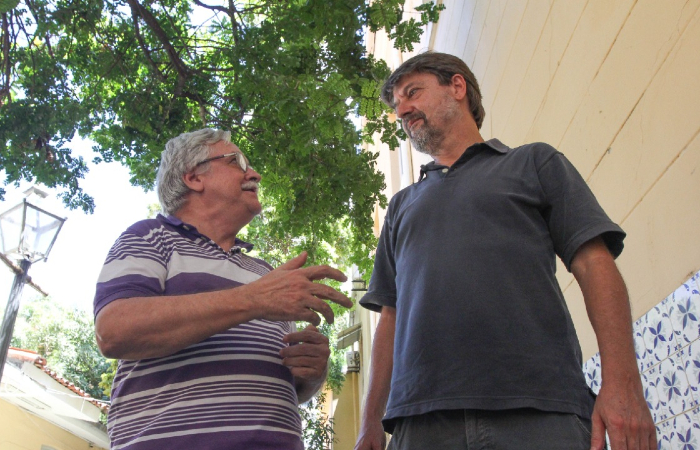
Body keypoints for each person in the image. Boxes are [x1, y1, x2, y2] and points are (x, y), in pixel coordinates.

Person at [354, 52, 656, 450]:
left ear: (457, 87)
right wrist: (370, 424)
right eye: (396, 105)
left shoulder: (533, 162)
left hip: (541, 412)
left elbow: (593, 263)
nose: (403, 109)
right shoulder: (400, 206)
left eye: (413, 93)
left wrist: (622, 384)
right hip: (421, 425)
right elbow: (389, 318)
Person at [93, 129, 353, 450]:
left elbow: (287, 388)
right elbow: (114, 331)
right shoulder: (150, 237)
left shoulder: (264, 273)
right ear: (193, 178)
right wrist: (252, 299)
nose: (254, 173)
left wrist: (311, 374)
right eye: (237, 162)